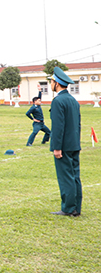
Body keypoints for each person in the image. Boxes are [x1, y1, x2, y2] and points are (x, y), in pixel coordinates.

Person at [48, 67, 82, 216]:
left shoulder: (58, 101)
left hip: (64, 146)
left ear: (56, 83)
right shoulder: (73, 100)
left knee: (66, 177)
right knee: (75, 176)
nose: (50, 84)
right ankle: (76, 208)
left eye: (51, 81)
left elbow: (58, 127)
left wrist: (56, 147)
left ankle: (68, 208)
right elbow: (78, 124)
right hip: (74, 143)